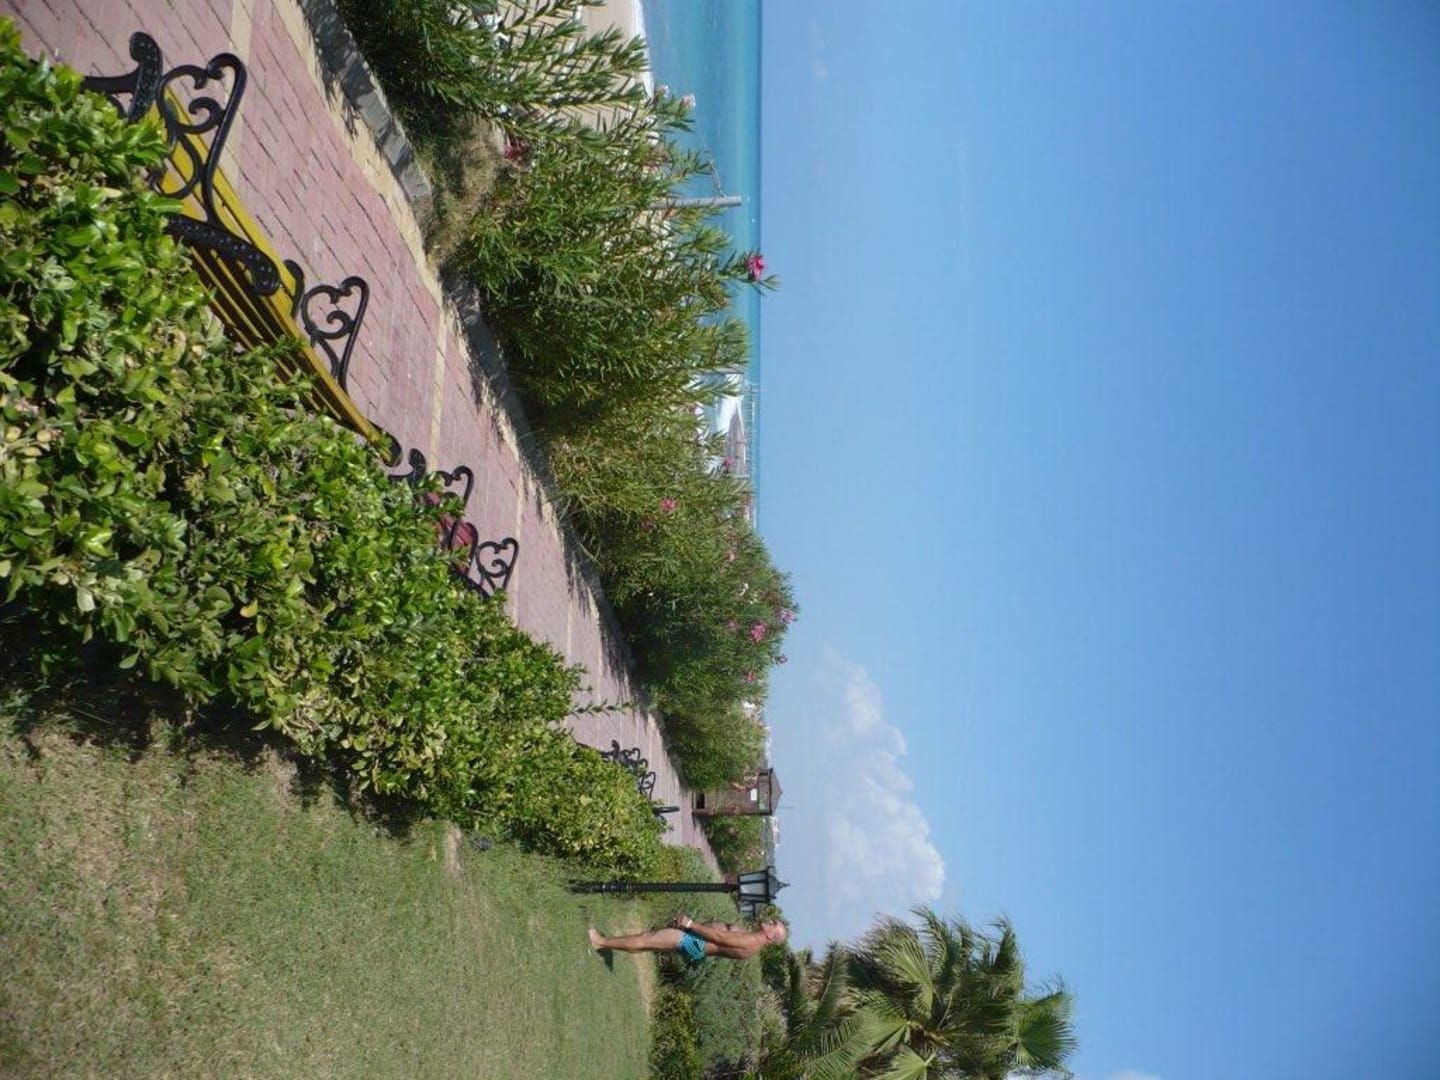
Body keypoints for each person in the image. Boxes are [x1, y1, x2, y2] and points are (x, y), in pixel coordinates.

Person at [588, 913, 786, 965]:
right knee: (650, 944)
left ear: (771, 936)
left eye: (773, 924)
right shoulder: (753, 939)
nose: (770, 921)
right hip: (698, 945)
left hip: (696, 944)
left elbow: (719, 937)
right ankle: (605, 945)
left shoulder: (751, 942)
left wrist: (690, 924)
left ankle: (600, 942)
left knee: (648, 939)